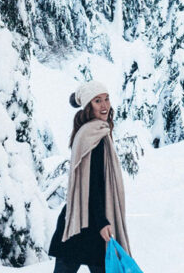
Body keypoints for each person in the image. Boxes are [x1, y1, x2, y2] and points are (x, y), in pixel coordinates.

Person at [48, 80, 132, 273]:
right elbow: (93, 183)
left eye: (106, 99)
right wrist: (102, 221)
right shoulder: (94, 135)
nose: (104, 105)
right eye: (97, 101)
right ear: (88, 106)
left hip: (77, 218)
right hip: (90, 223)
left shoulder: (89, 132)